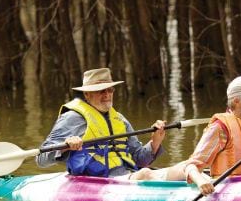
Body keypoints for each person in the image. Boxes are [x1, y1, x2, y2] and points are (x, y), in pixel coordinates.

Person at [36, 68, 166, 180]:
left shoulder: (119, 119)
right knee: (145, 173)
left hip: (129, 175)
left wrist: (155, 143)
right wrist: (66, 146)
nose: (107, 95)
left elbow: (139, 159)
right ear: (87, 94)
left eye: (110, 90)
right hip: (97, 180)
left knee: (183, 167)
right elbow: (41, 159)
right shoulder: (72, 118)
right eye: (101, 90)